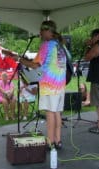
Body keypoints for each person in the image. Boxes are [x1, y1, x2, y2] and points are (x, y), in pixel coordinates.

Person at [12, 20, 67, 149]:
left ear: (48, 31)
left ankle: (50, 141)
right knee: (57, 112)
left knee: (50, 113)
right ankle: (58, 141)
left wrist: (19, 59)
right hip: (60, 85)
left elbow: (34, 65)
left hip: (49, 86)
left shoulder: (46, 46)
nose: (40, 33)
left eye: (41, 31)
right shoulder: (60, 45)